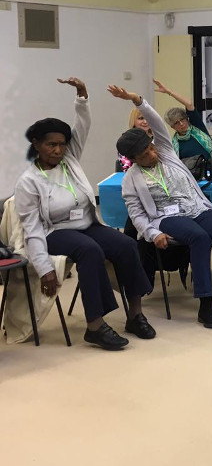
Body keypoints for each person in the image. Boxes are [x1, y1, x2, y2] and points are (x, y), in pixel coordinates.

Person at [15, 77, 156, 350]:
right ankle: (95, 326)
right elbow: (31, 228)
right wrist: (45, 269)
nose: (58, 150)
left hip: (87, 224)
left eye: (61, 144)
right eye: (50, 145)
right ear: (36, 144)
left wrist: (82, 96)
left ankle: (135, 313)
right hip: (54, 232)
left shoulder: (69, 160)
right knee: (90, 250)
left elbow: (82, 126)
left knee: (126, 244)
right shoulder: (29, 182)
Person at [109, 82, 212, 329]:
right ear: (133, 160)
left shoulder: (166, 152)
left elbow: (154, 120)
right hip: (166, 216)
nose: (152, 155)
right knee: (199, 238)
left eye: (150, 148)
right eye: (144, 155)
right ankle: (205, 306)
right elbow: (137, 214)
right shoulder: (131, 180)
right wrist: (153, 234)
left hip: (197, 207)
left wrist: (135, 98)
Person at [157, 79, 212, 160]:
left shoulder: (197, 128)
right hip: (194, 172)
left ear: (187, 119)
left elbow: (189, 104)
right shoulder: (175, 144)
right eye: (176, 123)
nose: (181, 124)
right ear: (172, 127)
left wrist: (169, 92)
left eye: (182, 119)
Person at [118, 107, 153, 172]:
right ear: (133, 121)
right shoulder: (126, 141)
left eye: (147, 118)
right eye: (141, 118)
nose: (145, 121)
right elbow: (127, 168)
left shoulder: (158, 138)